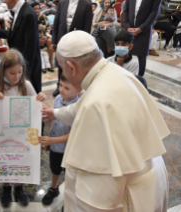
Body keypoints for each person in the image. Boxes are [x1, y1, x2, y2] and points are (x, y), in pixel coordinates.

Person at [42, 30, 169, 211]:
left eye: (62, 68)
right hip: (149, 180)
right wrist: (56, 113)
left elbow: (98, 199)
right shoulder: (112, 73)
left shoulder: (96, 104)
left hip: (128, 196)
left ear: (71, 67)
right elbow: (79, 107)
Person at [0, 49, 47, 208]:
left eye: (20, 72)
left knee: (19, 160)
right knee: (3, 161)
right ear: (3, 70)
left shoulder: (27, 85)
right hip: (0, 133)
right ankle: (5, 188)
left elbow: (36, 107)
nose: (17, 76)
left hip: (20, 133)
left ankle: (19, 188)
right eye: (12, 73)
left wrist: (40, 99)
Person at [38, 73, 81, 206]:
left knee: (70, 173)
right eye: (60, 85)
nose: (61, 89)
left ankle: (70, 193)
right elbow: (54, 121)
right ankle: (54, 188)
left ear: (78, 89)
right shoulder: (58, 99)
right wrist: (50, 139)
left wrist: (53, 141)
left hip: (69, 149)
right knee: (55, 169)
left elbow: (74, 134)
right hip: (56, 147)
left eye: (66, 88)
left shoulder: (78, 107)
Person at [0, 0, 42, 94]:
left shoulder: (28, 14)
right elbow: (16, 34)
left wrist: (23, 76)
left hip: (26, 68)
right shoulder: (18, 11)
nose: (3, 1)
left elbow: (30, 48)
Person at [51, 0, 92, 97]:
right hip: (62, 39)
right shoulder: (62, 3)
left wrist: (83, 43)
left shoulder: (86, 4)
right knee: (61, 65)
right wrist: (54, 41)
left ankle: (74, 86)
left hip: (77, 41)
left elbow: (87, 27)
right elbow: (56, 23)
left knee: (75, 66)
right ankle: (60, 85)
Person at [123, 0, 161, 76]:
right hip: (129, 28)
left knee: (142, 56)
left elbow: (154, 12)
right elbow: (125, 10)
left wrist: (141, 28)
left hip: (144, 30)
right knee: (126, 53)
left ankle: (140, 78)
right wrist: (127, 26)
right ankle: (126, 76)